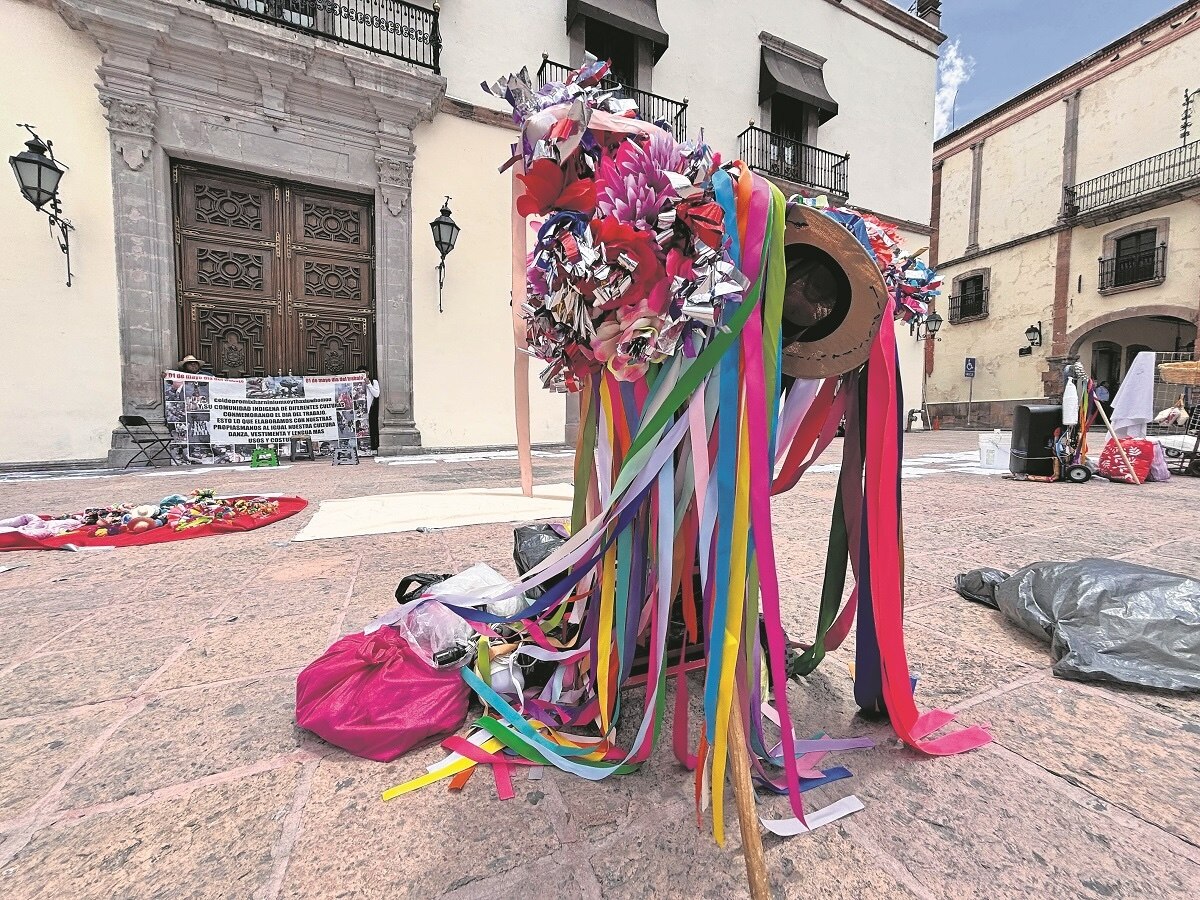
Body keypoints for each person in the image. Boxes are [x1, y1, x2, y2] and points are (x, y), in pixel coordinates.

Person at [358, 366, 380, 451]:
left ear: (367, 373)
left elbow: (376, 394)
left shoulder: (374, 382)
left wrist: (369, 384)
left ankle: (374, 447)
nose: (362, 374)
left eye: (363, 372)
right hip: (360, 411)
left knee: (373, 429)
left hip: (371, 410)